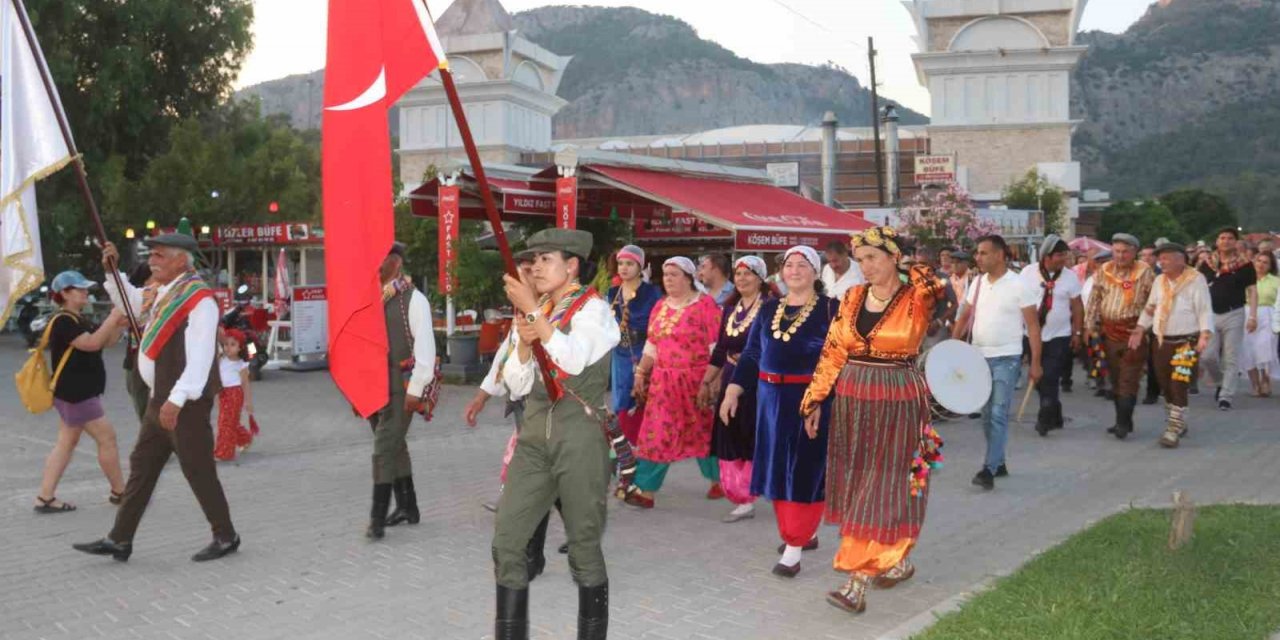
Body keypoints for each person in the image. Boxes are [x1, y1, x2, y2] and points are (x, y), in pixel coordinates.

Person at [798, 227, 944, 613]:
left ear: (894, 257)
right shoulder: (852, 297)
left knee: (886, 486)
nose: (865, 266)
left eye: (873, 257)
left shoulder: (917, 296)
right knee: (860, 484)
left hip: (899, 400)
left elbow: (937, 284)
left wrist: (906, 260)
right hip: (853, 401)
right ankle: (897, 558)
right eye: (860, 259)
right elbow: (833, 351)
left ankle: (857, 580)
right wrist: (814, 400)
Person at [75, 234, 239, 562]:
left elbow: (201, 357)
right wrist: (112, 270)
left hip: (184, 403)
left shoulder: (198, 299)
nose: (151, 261)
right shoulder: (165, 291)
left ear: (181, 260)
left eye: (159, 256)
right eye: (151, 255)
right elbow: (131, 302)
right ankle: (120, 538)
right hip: (159, 399)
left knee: (198, 469)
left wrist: (177, 399)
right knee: (142, 467)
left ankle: (225, 535)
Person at [491, 228, 619, 640]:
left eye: (546, 259)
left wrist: (534, 315)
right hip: (533, 436)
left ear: (572, 265)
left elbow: (573, 360)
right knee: (507, 542)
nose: (536, 267)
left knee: (583, 548)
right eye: (534, 260)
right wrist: (524, 342)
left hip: (579, 437)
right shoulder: (538, 309)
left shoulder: (595, 311)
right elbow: (516, 383)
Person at [720, 246, 837, 576]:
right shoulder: (770, 308)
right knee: (777, 469)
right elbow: (752, 353)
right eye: (789, 265)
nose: (794, 270)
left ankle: (793, 547)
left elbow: (836, 359)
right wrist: (733, 389)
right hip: (769, 400)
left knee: (804, 471)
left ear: (815, 272)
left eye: (802, 265)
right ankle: (802, 533)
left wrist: (819, 400)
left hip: (808, 400)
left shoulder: (831, 309)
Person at [629, 257, 723, 508]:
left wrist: (712, 382)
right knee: (657, 433)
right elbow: (652, 345)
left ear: (688, 278)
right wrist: (640, 373)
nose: (668, 279)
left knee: (703, 432)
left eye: (674, 274)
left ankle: (720, 479)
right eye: (665, 274)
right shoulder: (660, 306)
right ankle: (646, 490)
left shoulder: (705, 305)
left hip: (696, 382)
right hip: (663, 384)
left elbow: (716, 348)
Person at [33, 271, 128, 514]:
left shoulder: (78, 319)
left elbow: (106, 341)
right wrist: (113, 316)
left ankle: (45, 497)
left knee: (66, 443)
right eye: (80, 289)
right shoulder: (63, 321)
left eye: (86, 288)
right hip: (77, 394)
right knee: (107, 439)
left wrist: (118, 325)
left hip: (75, 392)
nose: (86, 292)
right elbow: (91, 344)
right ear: (64, 294)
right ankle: (120, 492)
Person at [953, 235, 1043, 490]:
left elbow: (1033, 327)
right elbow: (964, 316)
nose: (977, 258)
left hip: (1008, 358)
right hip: (978, 357)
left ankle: (988, 469)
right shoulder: (978, 283)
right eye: (977, 253)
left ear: (1000, 255)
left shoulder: (1019, 284)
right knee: (985, 415)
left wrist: (1035, 363)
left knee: (998, 413)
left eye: (983, 253)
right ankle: (999, 461)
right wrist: (951, 347)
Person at [364, 242, 436, 540]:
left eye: (383, 259)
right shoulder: (372, 298)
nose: (377, 265)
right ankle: (408, 506)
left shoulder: (414, 299)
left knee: (383, 448)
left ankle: (377, 519)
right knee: (395, 445)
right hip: (374, 387)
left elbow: (426, 350)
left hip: (401, 387)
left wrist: (416, 389)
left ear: (396, 263)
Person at [700, 256, 771, 524]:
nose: (742, 279)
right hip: (731, 377)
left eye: (748, 273)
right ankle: (741, 495)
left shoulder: (770, 308)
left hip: (758, 381)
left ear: (760, 278)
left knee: (751, 435)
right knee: (730, 433)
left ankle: (752, 492)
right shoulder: (730, 310)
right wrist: (707, 381)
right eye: (738, 274)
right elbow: (720, 349)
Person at [1134, 242, 1213, 448]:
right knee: (1165, 384)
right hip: (1161, 340)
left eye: (1166, 258)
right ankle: (1177, 419)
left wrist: (1205, 334)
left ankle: (1173, 429)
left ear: (1180, 259)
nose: (1161, 262)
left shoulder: (1196, 279)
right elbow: (1151, 308)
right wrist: (1140, 328)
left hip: (1186, 342)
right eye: (1160, 259)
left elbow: (1204, 309)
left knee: (1178, 383)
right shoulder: (1159, 280)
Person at [1086, 233, 1156, 439]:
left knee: (1129, 377)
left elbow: (1153, 303)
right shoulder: (1104, 270)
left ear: (1134, 252)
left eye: (1125, 252)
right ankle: (1123, 419)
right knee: (1116, 378)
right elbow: (1094, 299)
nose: (1120, 255)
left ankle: (1123, 424)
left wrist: (1144, 327)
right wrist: (1089, 326)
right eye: (1116, 251)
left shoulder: (1145, 272)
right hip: (1109, 331)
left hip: (1134, 331)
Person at [1020, 235, 1083, 436]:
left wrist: (1077, 332)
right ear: (1046, 256)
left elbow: (1077, 306)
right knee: (1038, 375)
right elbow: (1017, 300)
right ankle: (1055, 412)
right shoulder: (1028, 273)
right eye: (1059, 255)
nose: (1064, 259)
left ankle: (1044, 417)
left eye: (1065, 255)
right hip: (1031, 334)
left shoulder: (1070, 277)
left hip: (1059, 335)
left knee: (1050, 375)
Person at [1197, 227, 1258, 410]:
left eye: (1230, 238)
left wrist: (1252, 315)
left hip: (1234, 312)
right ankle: (1220, 381)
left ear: (1236, 242)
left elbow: (1252, 290)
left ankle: (1226, 396)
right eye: (1222, 238)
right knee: (1207, 356)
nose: (1226, 241)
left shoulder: (1245, 265)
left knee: (1231, 357)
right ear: (1217, 241)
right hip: (1210, 314)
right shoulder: (1207, 263)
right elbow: (1197, 288)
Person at [606, 245, 661, 444]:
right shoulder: (612, 293)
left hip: (644, 350)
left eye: (629, 263)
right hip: (619, 352)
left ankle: (645, 443)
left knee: (642, 396)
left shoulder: (652, 293)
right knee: (621, 397)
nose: (624, 267)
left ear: (640, 266)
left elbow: (658, 326)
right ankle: (624, 445)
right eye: (621, 263)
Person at [1240, 250, 1279, 396]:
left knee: (1265, 349)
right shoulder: (1246, 279)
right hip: (1246, 313)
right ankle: (1255, 384)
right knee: (1248, 350)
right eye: (1259, 261)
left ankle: (1265, 380)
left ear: (1270, 266)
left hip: (1268, 315)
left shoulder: (1276, 281)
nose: (1261, 265)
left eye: (1265, 262)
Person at [212, 329, 255, 461]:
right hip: (223, 393)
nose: (228, 348)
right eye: (226, 344)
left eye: (232, 345)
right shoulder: (221, 359)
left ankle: (223, 452)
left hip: (235, 394)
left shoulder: (241, 364)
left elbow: (245, 384)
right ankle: (245, 439)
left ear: (240, 347)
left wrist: (248, 402)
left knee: (225, 423)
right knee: (230, 421)